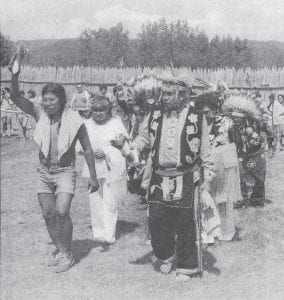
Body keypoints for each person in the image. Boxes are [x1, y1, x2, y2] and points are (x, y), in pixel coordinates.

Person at [8, 47, 99, 273]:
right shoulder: (39, 113)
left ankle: (67, 253)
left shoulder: (74, 119)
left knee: (61, 212)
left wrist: (93, 178)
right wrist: (15, 74)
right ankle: (60, 248)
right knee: (48, 214)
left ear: (61, 100)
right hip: (44, 172)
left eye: (51, 100)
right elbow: (15, 97)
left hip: (65, 172)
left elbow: (87, 148)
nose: (47, 103)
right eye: (44, 99)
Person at [132, 75, 215, 281]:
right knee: (156, 219)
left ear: (183, 95)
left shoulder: (196, 116)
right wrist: (133, 146)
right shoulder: (155, 113)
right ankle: (166, 255)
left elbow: (205, 152)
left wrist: (207, 183)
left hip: (186, 176)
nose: (164, 97)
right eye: (163, 93)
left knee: (185, 222)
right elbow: (143, 138)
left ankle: (187, 267)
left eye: (169, 94)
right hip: (159, 176)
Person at [81, 95, 134, 247]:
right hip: (93, 166)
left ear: (108, 110)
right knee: (95, 200)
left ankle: (109, 234)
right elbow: (80, 146)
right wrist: (89, 152)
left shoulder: (116, 123)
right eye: (95, 110)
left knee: (110, 201)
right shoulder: (86, 124)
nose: (98, 113)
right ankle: (98, 231)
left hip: (112, 165)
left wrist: (106, 151)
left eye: (102, 110)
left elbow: (123, 145)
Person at [195, 92, 242, 242]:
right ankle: (209, 232)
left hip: (225, 166)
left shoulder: (227, 122)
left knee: (224, 199)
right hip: (206, 166)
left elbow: (237, 142)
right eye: (202, 113)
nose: (205, 115)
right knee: (207, 198)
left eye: (207, 112)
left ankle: (226, 231)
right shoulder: (198, 123)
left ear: (215, 109)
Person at [223, 94, 266, 208]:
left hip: (256, 154)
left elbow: (259, 138)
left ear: (244, 116)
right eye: (234, 117)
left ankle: (257, 200)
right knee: (240, 177)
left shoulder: (254, 124)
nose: (235, 119)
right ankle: (242, 199)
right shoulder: (232, 127)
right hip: (241, 155)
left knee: (259, 178)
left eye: (238, 117)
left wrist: (251, 134)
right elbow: (233, 142)